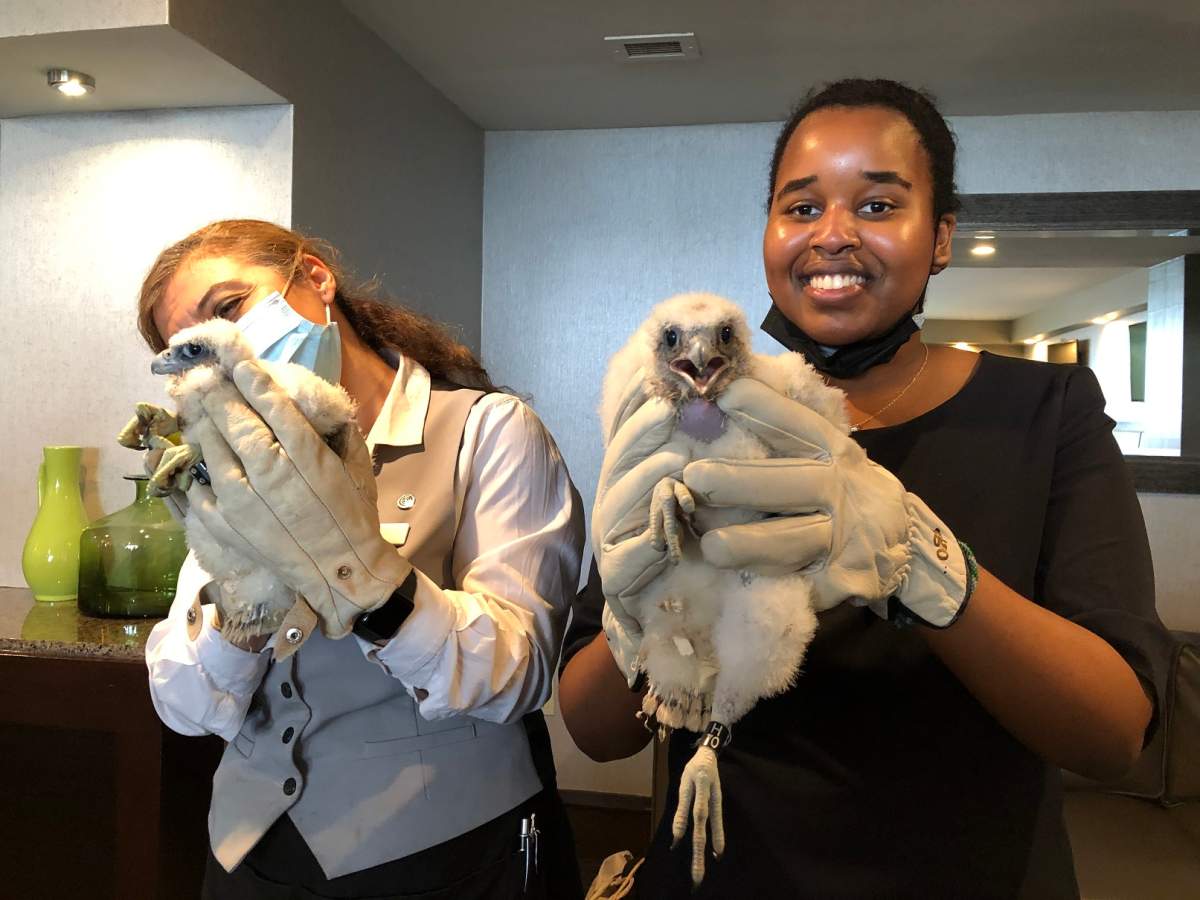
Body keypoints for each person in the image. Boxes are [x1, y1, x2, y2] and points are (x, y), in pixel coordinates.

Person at [558, 79, 1173, 899]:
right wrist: (641, 613)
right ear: (769, 232)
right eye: (802, 208)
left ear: (942, 236)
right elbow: (594, 733)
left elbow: (1112, 733)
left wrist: (918, 562)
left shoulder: (1044, 411)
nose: (833, 237)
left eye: (878, 206)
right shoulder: (692, 411)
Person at [139, 219, 585, 899]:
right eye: (189, 350)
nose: (222, 350)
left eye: (230, 308)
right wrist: (241, 609)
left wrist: (366, 579)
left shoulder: (486, 431)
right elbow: (183, 703)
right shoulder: (229, 472)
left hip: (446, 857)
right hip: (252, 858)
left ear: (315, 279)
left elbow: (516, 671)